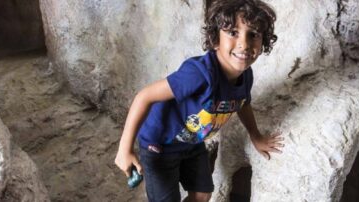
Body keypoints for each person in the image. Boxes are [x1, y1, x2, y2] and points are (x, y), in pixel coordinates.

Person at [114, 0, 283, 201]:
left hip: (192, 143)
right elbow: (144, 97)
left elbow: (242, 102)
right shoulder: (199, 74)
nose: (244, 44)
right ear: (215, 38)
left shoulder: (245, 76)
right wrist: (125, 150)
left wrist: (256, 136)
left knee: (202, 195)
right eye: (233, 33)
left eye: (253, 35)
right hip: (160, 146)